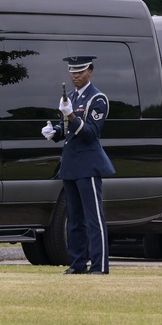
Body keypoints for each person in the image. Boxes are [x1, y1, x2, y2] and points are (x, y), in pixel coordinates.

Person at [41, 55, 116, 274]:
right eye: (72, 72)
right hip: (71, 162)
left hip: (89, 163)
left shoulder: (98, 98)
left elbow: (91, 133)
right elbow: (66, 129)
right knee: (74, 219)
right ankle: (78, 264)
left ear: (90, 72)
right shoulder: (71, 96)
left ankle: (100, 266)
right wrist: (54, 131)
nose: (75, 76)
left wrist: (71, 115)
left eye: (80, 71)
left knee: (93, 218)